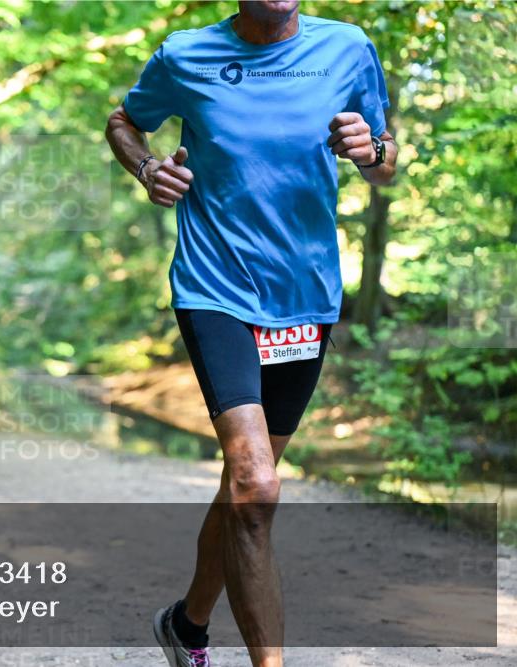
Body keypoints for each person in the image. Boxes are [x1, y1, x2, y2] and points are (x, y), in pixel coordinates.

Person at [105, 2, 397, 666]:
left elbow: (386, 163)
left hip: (306, 297)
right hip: (216, 289)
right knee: (256, 480)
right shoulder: (186, 55)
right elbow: (123, 121)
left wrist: (372, 150)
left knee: (246, 488)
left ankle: (187, 624)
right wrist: (146, 167)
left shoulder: (349, 49)